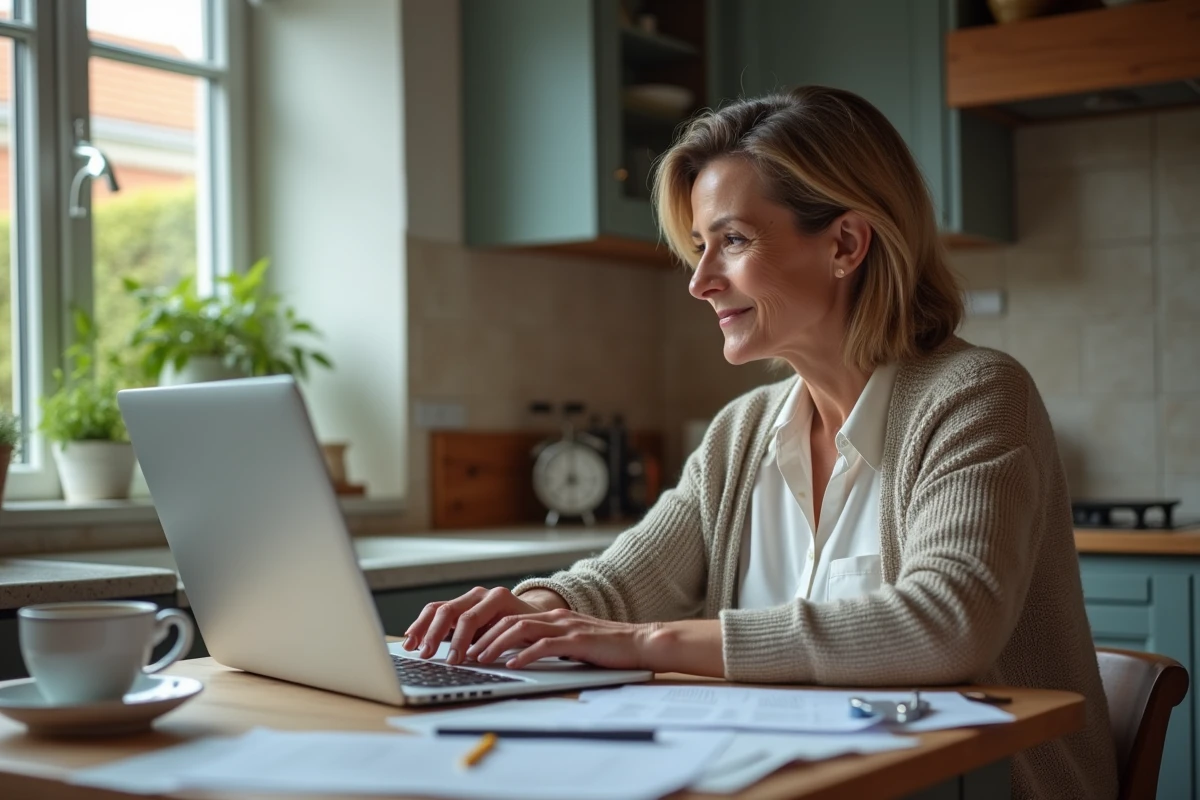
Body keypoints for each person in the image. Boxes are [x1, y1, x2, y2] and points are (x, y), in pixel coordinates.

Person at [403, 86, 1117, 799]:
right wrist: (530, 611)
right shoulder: (742, 431)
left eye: (732, 241)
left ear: (845, 243)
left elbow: (945, 624)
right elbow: (619, 588)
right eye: (697, 247)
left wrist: (649, 643)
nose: (700, 282)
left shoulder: (976, 393)